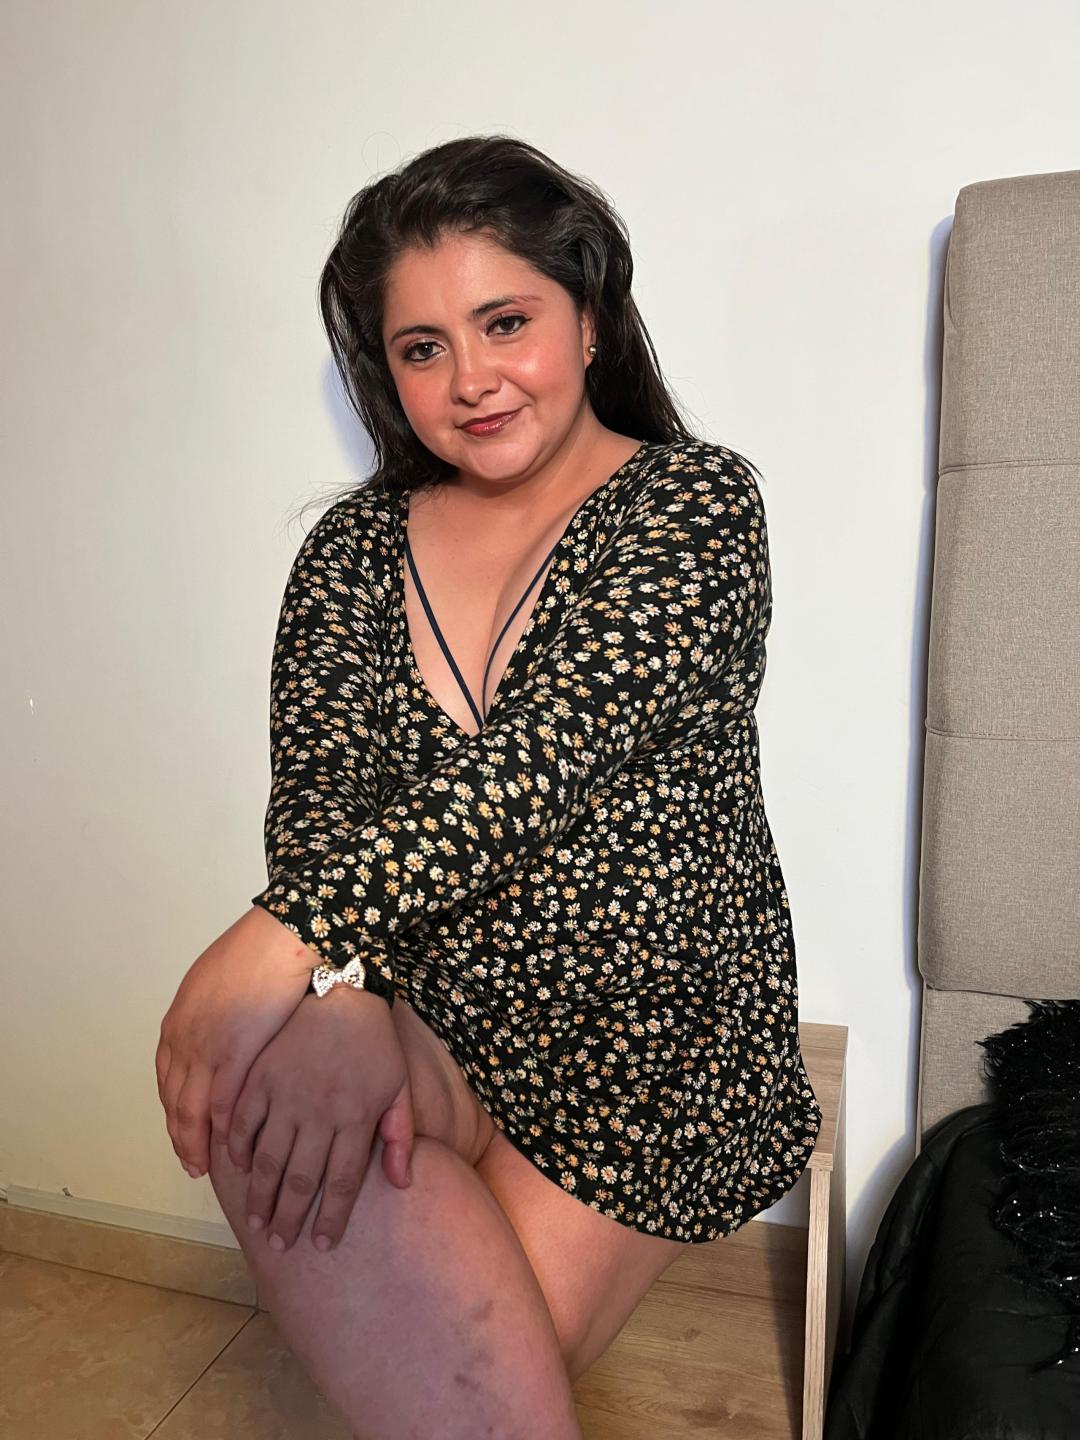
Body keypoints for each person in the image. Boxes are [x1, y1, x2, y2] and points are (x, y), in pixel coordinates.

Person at [155, 133, 823, 1439]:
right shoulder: (352, 550)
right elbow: (321, 807)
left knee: (465, 1400)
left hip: (645, 1041)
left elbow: (544, 759)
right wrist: (344, 990)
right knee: (268, 1072)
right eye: (422, 348)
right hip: (443, 1005)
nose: (470, 380)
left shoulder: (694, 502)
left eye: (505, 321)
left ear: (589, 315)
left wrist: (279, 943)